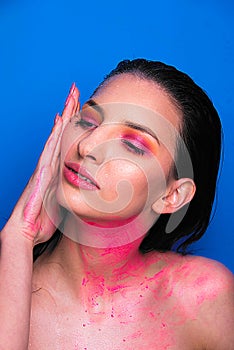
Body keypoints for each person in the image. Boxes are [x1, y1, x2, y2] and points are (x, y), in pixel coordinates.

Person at [0, 59, 233, 350]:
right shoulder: (7, 279)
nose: (87, 146)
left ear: (172, 195)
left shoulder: (203, 297)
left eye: (133, 145)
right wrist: (17, 237)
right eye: (87, 121)